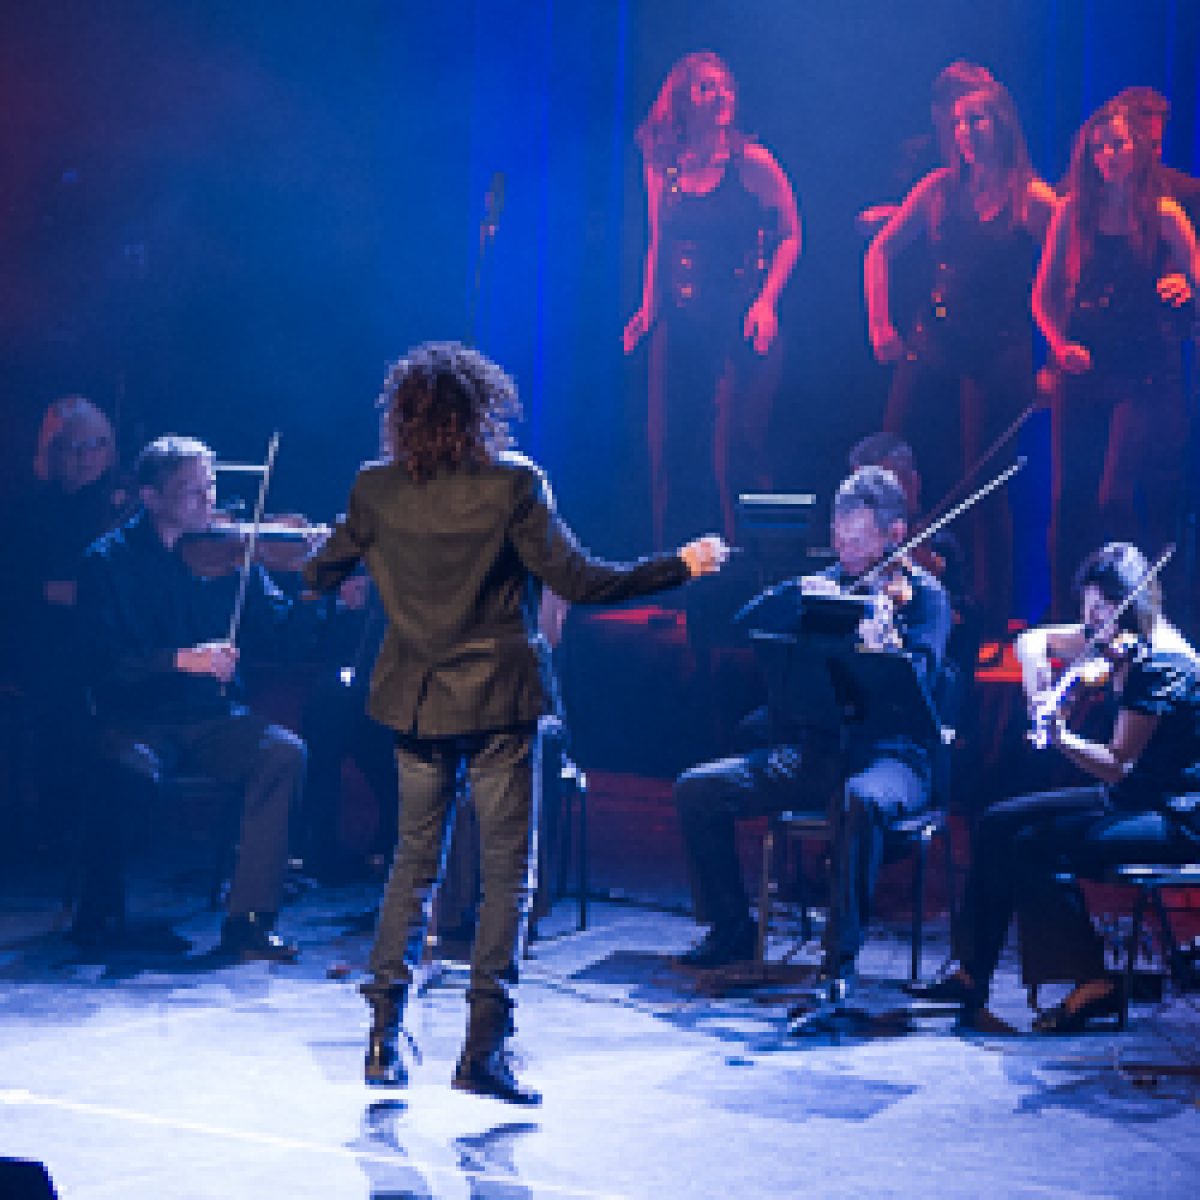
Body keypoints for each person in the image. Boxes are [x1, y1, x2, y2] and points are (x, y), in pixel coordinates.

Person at [302, 341, 729, 1105]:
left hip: (417, 702)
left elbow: (318, 575)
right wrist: (680, 566)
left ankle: (383, 1040)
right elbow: (581, 581)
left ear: (403, 416)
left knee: (412, 866)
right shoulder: (513, 483)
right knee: (507, 878)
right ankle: (482, 1052)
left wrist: (333, 549)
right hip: (501, 703)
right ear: (480, 410)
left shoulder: (375, 488)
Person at [74, 435, 362, 958]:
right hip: (135, 719)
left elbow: (282, 637)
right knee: (125, 768)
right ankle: (99, 911)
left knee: (283, 753)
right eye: (192, 491)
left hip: (210, 717)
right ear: (151, 497)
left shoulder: (233, 554)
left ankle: (249, 921)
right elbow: (101, 662)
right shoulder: (107, 561)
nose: (208, 501)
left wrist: (316, 590)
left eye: (210, 487)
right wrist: (181, 659)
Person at [673, 466, 949, 1001]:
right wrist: (797, 596)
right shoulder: (829, 586)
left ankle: (838, 962)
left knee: (858, 799)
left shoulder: (924, 599)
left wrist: (885, 639)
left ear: (895, 535)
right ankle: (730, 928)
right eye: (838, 539)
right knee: (698, 789)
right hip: (820, 751)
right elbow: (750, 627)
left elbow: (917, 686)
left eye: (857, 541)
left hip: (894, 758)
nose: (845, 552)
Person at [911, 543, 1200, 1031]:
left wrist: (1061, 736)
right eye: (1088, 609)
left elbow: (1117, 764)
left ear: (1130, 604)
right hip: (1131, 798)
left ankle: (1092, 982)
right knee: (996, 822)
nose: (1092, 625)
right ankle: (969, 973)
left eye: (1102, 610)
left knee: (1035, 846)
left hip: (1172, 814)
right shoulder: (1114, 636)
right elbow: (1031, 642)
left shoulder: (1163, 664)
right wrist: (1037, 688)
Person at [866, 79, 1057, 637]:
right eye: (958, 123)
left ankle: (989, 616)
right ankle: (897, 594)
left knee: (983, 485)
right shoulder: (938, 189)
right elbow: (881, 249)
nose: (966, 132)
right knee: (892, 464)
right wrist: (880, 323)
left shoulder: (1033, 200)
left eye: (977, 120)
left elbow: (1067, 277)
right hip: (931, 346)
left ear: (1002, 123)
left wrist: (1056, 351)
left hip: (997, 356)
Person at [624, 50, 800, 548]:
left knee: (731, 455)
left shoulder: (752, 163)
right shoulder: (664, 165)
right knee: (666, 448)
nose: (720, 94)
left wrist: (767, 302)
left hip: (736, 321)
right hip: (680, 322)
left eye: (724, 85)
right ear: (682, 100)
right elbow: (658, 240)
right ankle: (669, 566)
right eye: (706, 87)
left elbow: (791, 234)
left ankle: (744, 567)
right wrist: (647, 307)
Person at [1034, 97, 1199, 618]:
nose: (1108, 155)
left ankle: (1141, 608)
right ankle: (1069, 614)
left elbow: (1196, 277)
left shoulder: (1163, 213)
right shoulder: (1071, 211)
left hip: (1141, 370)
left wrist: (1185, 285)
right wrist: (1058, 345)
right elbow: (1043, 294)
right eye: (1100, 147)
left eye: (1118, 145)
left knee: (1115, 495)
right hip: (1085, 367)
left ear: (1139, 149)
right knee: (1071, 497)